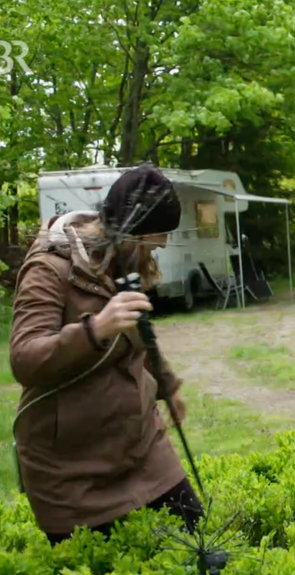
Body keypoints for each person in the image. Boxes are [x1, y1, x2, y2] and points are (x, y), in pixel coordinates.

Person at [10, 163, 204, 544]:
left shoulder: (125, 261)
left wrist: (168, 386)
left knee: (194, 536)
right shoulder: (50, 267)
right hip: (72, 466)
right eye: (157, 234)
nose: (163, 244)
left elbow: (141, 337)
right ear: (130, 231)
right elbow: (25, 359)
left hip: (142, 448)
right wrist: (95, 329)